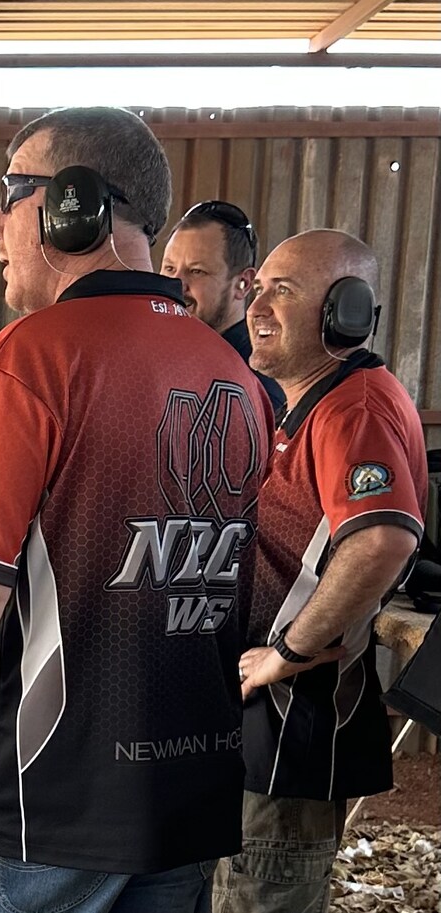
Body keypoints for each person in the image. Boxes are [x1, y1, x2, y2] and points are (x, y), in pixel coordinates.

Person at [0, 107, 273, 913]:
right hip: (186, 805)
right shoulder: (236, 376)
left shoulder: (36, 356)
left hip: (43, 814)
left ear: (74, 204)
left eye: (11, 194)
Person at [214, 230, 427, 913]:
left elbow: (383, 540)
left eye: (284, 291)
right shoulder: (317, 406)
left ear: (346, 312)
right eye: (258, 288)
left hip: (293, 728)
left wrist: (286, 651)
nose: (257, 306)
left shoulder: (352, 410)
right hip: (269, 730)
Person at [161, 199, 286, 413]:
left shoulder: (259, 384)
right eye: (170, 269)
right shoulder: (160, 356)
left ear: (243, 283)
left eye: (196, 271)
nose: (176, 284)